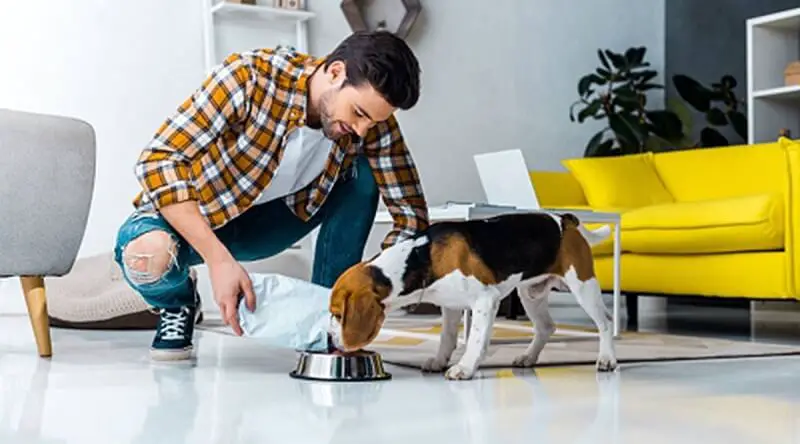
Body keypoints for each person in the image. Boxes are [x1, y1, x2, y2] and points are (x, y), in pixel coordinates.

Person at [113, 31, 430, 361]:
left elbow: (411, 217)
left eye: (374, 121)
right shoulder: (248, 77)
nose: (363, 129)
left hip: (270, 224)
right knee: (145, 256)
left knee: (362, 175)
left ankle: (329, 319)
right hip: (200, 218)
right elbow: (159, 159)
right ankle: (177, 303)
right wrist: (217, 259)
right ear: (335, 72)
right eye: (359, 114)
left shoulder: (370, 125)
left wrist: (377, 284)